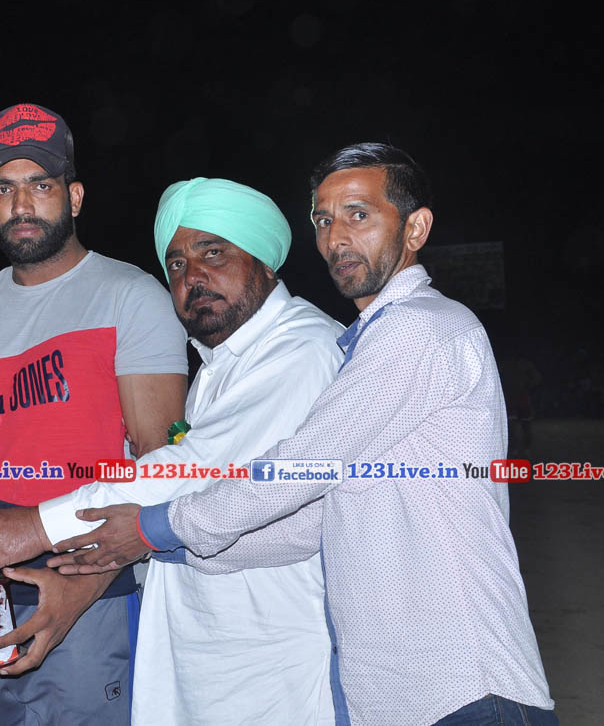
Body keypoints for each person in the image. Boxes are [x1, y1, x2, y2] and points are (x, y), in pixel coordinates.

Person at [46, 143, 558, 725]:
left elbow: (294, 470)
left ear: (415, 228)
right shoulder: (363, 344)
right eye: (324, 219)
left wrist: (153, 525)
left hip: (465, 684)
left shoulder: (422, 329)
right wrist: (163, 544)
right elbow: (310, 524)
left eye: (359, 214)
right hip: (400, 698)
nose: (337, 238)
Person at [0, 177, 345, 723]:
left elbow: (192, 467)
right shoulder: (221, 365)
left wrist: (36, 527)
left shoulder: (301, 347)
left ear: (263, 259)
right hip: (210, 651)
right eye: (177, 264)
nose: (193, 276)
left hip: (275, 654)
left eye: (213, 252)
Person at [0, 103, 189, 726]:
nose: (21, 204)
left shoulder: (131, 296)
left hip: (87, 589)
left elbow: (164, 466)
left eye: (40, 184)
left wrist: (83, 590)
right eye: (3, 189)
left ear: (75, 196)